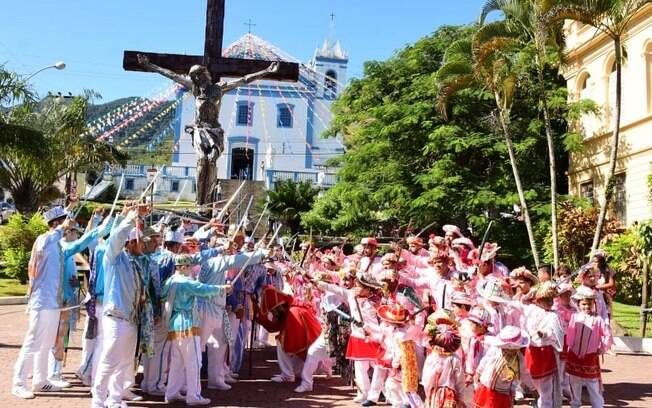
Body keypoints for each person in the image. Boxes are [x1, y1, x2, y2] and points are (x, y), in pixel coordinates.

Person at [91, 204, 149, 408]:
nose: (144, 246)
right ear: (131, 242)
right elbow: (115, 238)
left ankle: (115, 399)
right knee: (109, 361)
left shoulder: (135, 263)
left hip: (131, 320)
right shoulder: (114, 258)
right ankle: (97, 401)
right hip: (115, 318)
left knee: (125, 363)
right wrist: (130, 217)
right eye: (141, 242)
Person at [12, 207, 73, 399]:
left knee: (46, 344)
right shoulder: (44, 240)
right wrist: (62, 225)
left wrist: (69, 208)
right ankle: (19, 383)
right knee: (32, 342)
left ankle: (40, 381)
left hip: (53, 302)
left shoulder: (57, 245)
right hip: (41, 300)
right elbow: (53, 235)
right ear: (55, 224)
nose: (68, 226)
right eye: (64, 222)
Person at [162, 254, 232, 405]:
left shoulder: (170, 281)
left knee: (177, 361)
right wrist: (222, 289)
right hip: (187, 324)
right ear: (184, 267)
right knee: (194, 361)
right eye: (190, 266)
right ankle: (194, 396)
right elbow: (203, 289)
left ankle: (172, 392)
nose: (192, 269)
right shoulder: (185, 282)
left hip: (174, 325)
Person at [256, 285, 324, 393]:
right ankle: (296, 373)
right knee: (297, 347)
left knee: (282, 342)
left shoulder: (292, 311)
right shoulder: (290, 305)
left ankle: (287, 375)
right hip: (312, 335)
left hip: (307, 334)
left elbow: (288, 336)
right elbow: (275, 326)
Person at [565, 286, 613, 408]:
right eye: (584, 304)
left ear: (593, 304)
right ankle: (575, 402)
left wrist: (603, 347)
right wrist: (569, 348)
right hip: (574, 353)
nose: (586, 307)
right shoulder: (575, 317)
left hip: (590, 354)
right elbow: (570, 334)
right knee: (574, 380)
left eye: (589, 304)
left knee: (592, 382)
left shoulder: (597, 319)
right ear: (578, 304)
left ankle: (597, 404)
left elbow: (606, 334)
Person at [473, 325, 529, 408]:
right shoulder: (496, 349)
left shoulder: (519, 359)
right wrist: (478, 372)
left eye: (512, 349)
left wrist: (533, 388)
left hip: (503, 392)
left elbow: (525, 374)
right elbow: (486, 359)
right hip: (487, 386)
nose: (508, 350)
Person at [422, 315, 464, 408]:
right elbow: (460, 380)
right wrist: (461, 397)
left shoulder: (432, 358)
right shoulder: (455, 359)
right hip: (450, 395)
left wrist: (428, 393)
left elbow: (427, 379)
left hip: (435, 393)